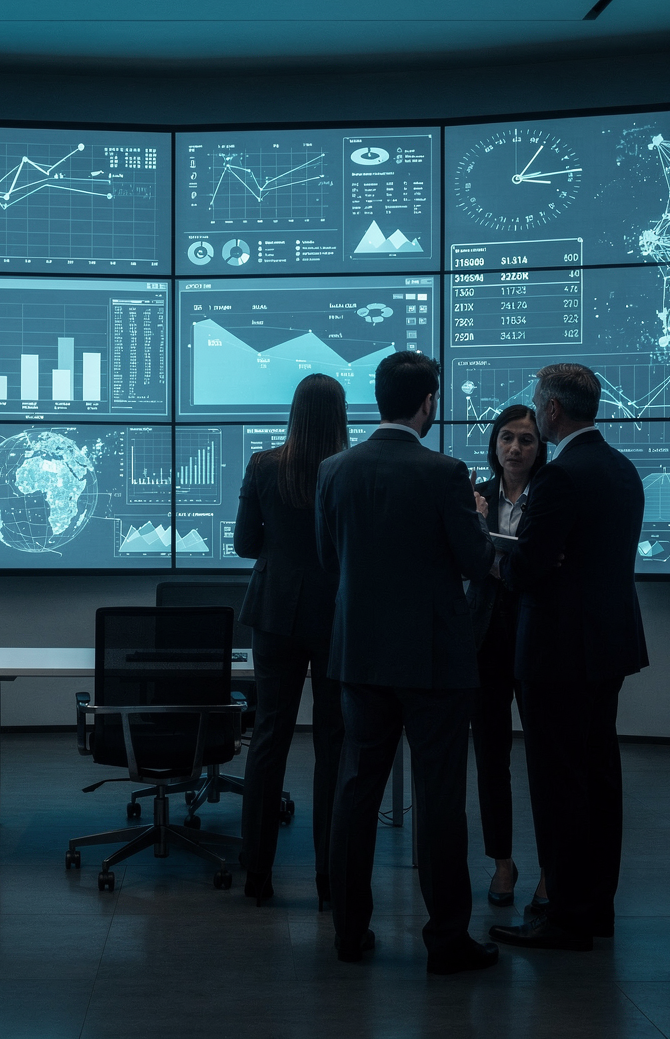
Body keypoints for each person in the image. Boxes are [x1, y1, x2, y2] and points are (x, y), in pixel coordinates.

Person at [316, 350, 502, 976]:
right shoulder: (446, 473)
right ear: (429, 402)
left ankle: (348, 930)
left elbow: (328, 559)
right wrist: (477, 522)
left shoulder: (335, 470)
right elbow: (476, 565)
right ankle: (446, 940)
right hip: (433, 662)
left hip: (359, 657)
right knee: (439, 799)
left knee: (355, 793)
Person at [489, 363, 649, 953]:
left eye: (536, 405)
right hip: (609, 646)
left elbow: (528, 570)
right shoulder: (621, 468)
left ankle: (565, 918)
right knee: (600, 778)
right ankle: (595, 907)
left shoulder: (561, 478)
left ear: (552, 411)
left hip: (557, 651)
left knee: (559, 787)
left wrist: (500, 557)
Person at [234, 373, 349, 908]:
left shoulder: (263, 465)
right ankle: (331, 879)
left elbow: (243, 544)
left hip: (275, 612)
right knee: (333, 746)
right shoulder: (348, 469)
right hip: (336, 616)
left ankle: (255, 876)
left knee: (267, 741)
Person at [465, 405, 547, 912]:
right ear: (494, 443)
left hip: (537, 637)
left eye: (526, 440)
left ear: (540, 449)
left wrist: (502, 563)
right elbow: (467, 560)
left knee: (544, 758)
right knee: (492, 756)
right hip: (484, 639)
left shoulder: (551, 496)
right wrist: (477, 527)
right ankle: (502, 862)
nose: (515, 448)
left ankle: (551, 868)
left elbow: (547, 564)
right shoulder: (478, 497)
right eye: (507, 438)